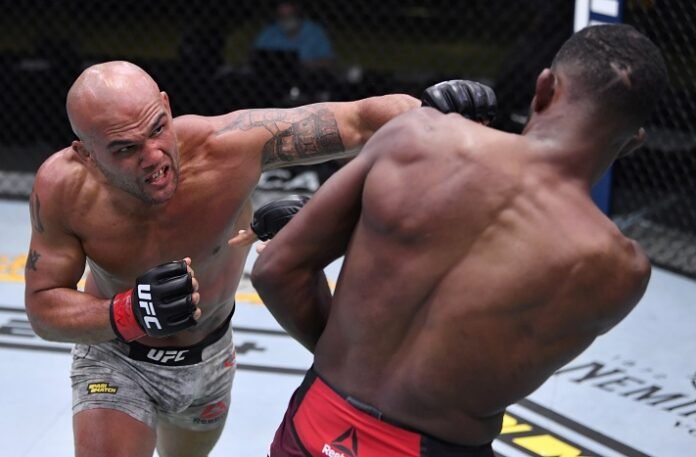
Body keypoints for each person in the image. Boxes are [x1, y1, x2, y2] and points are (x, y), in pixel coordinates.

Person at [22, 61, 482, 457]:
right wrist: (127, 312)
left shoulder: (227, 147)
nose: (153, 157)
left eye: (158, 129)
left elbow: (360, 121)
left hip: (210, 357)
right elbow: (43, 307)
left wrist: (430, 111)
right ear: (85, 154)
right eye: (125, 149)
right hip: (118, 358)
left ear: (166, 105)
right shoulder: (62, 190)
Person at [249, 24, 667, 456]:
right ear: (633, 142)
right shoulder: (620, 269)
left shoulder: (418, 137)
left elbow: (276, 270)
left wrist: (348, 359)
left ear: (544, 87)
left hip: (316, 422)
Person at [254, 1, 335, 70]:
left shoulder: (315, 31)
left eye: (290, 15)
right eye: (282, 16)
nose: (286, 20)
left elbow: (330, 61)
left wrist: (306, 64)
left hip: (306, 75)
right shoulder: (270, 31)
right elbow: (256, 56)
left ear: (298, 14)